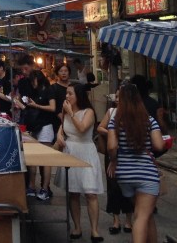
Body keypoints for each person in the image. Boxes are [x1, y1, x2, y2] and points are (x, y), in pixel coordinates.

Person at [107, 82, 165, 243]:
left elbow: (111, 146)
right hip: (146, 175)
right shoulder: (149, 120)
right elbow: (159, 145)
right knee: (141, 217)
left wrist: (113, 161)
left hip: (124, 175)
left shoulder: (115, 121)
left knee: (146, 215)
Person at [55, 83, 105, 241]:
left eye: (70, 94)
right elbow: (62, 127)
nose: (67, 96)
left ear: (79, 95)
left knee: (91, 193)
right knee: (73, 193)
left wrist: (71, 113)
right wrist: (59, 135)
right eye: (66, 93)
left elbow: (82, 128)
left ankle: (94, 230)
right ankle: (77, 227)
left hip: (86, 152)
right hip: (70, 151)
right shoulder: (66, 110)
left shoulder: (88, 111)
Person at [97, 92, 134, 235]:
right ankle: (116, 220)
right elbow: (100, 127)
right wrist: (111, 133)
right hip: (112, 153)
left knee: (128, 187)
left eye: (120, 96)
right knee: (113, 186)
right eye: (116, 97)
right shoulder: (111, 111)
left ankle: (129, 220)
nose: (117, 99)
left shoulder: (134, 114)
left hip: (128, 155)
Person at [22, 69, 61, 200]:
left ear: (38, 79)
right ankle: (32, 186)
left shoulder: (48, 90)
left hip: (45, 126)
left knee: (45, 159)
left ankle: (45, 188)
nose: (32, 83)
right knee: (33, 158)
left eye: (33, 80)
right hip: (34, 127)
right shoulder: (34, 91)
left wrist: (36, 105)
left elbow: (52, 108)